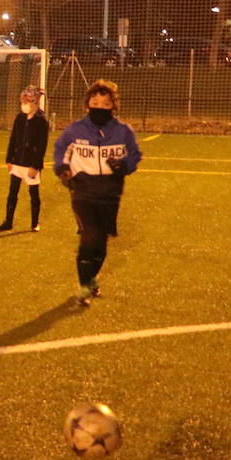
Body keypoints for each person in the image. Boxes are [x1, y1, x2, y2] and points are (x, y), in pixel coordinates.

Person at [52, 79, 142, 306]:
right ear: (86, 105)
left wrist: (123, 165)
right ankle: (83, 287)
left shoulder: (123, 131)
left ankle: (91, 279)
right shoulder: (75, 130)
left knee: (101, 244)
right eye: (95, 102)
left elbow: (134, 155)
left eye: (105, 103)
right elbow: (61, 150)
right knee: (89, 236)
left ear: (114, 106)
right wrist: (63, 170)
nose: (99, 106)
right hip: (83, 192)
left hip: (110, 194)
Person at [0, 85, 49, 232]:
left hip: (30, 164)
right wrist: (9, 159)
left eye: (28, 101)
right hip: (17, 162)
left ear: (35, 101)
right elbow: (13, 138)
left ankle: (34, 223)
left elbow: (41, 146)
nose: (24, 104)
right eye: (23, 101)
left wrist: (35, 166)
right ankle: (8, 221)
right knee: (12, 193)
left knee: (34, 194)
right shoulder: (19, 117)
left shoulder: (41, 121)